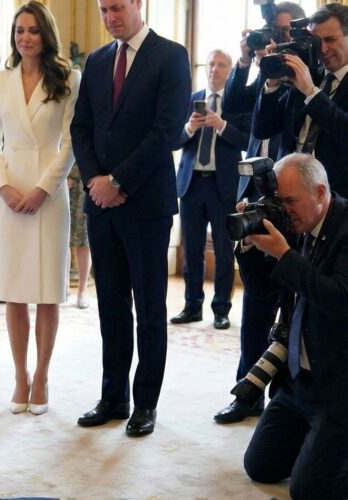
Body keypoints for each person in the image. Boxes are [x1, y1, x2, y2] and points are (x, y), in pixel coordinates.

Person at [70, 0, 191, 436]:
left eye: (117, 8)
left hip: (146, 205)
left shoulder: (171, 56)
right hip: (101, 204)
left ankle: (145, 405)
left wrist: (119, 181)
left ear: (139, 4)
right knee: (111, 306)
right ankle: (114, 396)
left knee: (149, 308)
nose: (110, 18)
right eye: (103, 10)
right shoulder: (99, 60)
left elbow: (167, 130)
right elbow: (80, 127)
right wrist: (95, 182)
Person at [0, 1, 78, 416]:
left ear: (46, 35)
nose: (25, 37)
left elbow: (73, 144)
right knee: (15, 292)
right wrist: (3, 187)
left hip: (50, 194)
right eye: (20, 30)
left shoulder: (69, 78)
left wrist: (43, 188)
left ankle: (42, 376)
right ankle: (19, 376)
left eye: (34, 30)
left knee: (46, 292)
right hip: (8, 194)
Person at [213, 2, 306, 424]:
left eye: (285, 35)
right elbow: (236, 102)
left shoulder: (307, 77)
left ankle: (289, 400)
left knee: (291, 306)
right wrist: (248, 61)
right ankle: (248, 393)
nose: (277, 43)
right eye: (272, 35)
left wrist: (290, 73)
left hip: (293, 200)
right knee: (254, 301)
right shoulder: (268, 76)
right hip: (252, 194)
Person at [242, 153, 348, 500]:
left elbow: (338, 300)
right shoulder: (297, 225)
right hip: (298, 381)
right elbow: (262, 291)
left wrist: (285, 256)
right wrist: (250, 245)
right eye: (279, 201)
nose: (284, 210)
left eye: (290, 201)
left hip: (338, 387)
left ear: (320, 193)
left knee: (308, 492)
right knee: (260, 466)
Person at [170, 49, 248, 330]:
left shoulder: (237, 102)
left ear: (230, 71)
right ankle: (192, 306)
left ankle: (221, 310)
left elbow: (247, 140)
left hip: (223, 185)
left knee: (225, 251)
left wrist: (222, 125)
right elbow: (174, 141)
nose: (215, 69)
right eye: (211, 64)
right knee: (192, 249)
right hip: (191, 184)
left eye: (221, 65)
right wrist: (189, 128)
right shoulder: (190, 100)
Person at [253, 3, 348, 197]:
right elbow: (263, 128)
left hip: (338, 197)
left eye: (330, 39)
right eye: (317, 41)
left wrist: (311, 92)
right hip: (290, 194)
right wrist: (272, 80)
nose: (323, 49)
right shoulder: (309, 74)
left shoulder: (308, 82)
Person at [67, 164, 91, 309]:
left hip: (85, 179)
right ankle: (63, 286)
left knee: (84, 237)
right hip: (59, 179)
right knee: (60, 238)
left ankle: (83, 289)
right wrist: (64, 174)